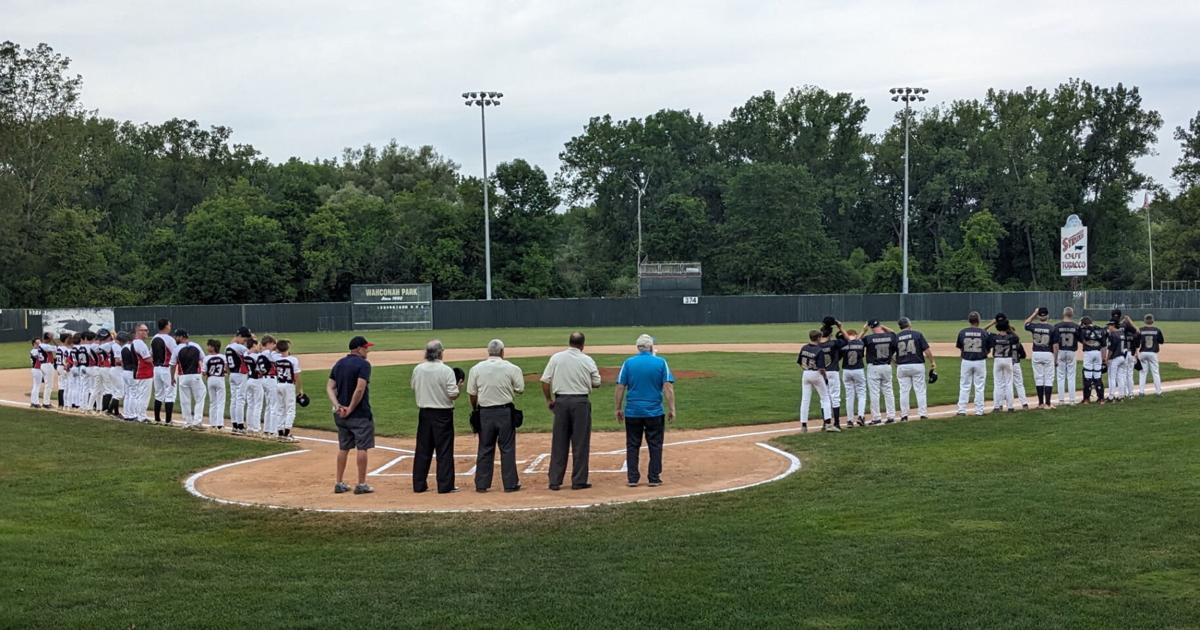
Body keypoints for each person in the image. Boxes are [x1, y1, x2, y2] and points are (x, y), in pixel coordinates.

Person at [540, 332, 602, 490]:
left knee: (559, 441)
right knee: (580, 442)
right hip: (580, 402)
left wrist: (549, 400)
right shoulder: (587, 360)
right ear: (582, 345)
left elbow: (545, 381)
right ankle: (579, 480)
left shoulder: (556, 358)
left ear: (569, 342)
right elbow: (597, 383)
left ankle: (555, 480)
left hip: (561, 401)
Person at [615, 334, 676, 487]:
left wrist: (618, 408)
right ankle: (654, 477)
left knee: (632, 444)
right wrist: (672, 408)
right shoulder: (661, 362)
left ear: (638, 347)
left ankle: (633, 478)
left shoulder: (628, 363)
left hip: (633, 411)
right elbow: (668, 387)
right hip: (654, 411)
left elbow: (620, 386)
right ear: (650, 347)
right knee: (655, 444)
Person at [467, 339, 525, 493]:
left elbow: (472, 394)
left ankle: (481, 484)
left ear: (488, 352)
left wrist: (475, 409)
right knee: (507, 448)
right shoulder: (512, 368)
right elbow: (520, 389)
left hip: (485, 412)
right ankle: (510, 483)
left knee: (485, 447)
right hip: (505, 412)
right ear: (502, 352)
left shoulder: (476, 369)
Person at [410, 339, 461, 493]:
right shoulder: (446, 370)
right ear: (439, 353)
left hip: (424, 413)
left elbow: (413, 386)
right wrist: (458, 387)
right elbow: (453, 394)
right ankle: (445, 485)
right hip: (442, 414)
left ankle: (419, 484)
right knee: (444, 450)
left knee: (422, 449)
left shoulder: (418, 369)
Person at [327, 336, 376, 495]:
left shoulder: (339, 363)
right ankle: (361, 484)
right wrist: (351, 408)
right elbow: (360, 389)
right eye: (365, 348)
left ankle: (339, 482)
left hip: (341, 414)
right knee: (362, 447)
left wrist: (338, 405)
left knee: (344, 447)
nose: (367, 350)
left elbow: (330, 387)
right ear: (358, 349)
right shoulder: (364, 365)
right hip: (359, 413)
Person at [894, 317, 935, 421]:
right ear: (909, 324)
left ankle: (904, 415)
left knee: (903, 391)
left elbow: (891, 354)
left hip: (902, 366)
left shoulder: (896, 337)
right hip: (917, 365)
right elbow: (927, 350)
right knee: (920, 390)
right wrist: (932, 362)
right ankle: (923, 414)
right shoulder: (917, 334)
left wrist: (895, 363)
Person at [796, 330, 834, 433]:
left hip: (806, 373)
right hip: (816, 373)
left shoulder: (804, 348)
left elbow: (800, 363)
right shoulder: (819, 350)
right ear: (818, 338)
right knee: (825, 398)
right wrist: (825, 377)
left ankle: (803, 425)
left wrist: (806, 369)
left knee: (805, 400)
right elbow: (822, 368)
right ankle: (828, 424)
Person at [956, 311, 991, 416]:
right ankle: (979, 411)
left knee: (964, 385)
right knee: (979, 386)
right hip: (980, 361)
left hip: (966, 361)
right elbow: (988, 349)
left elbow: (960, 347)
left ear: (969, 321)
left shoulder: (962, 332)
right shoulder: (984, 333)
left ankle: (961, 410)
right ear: (978, 321)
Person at [862, 320, 897, 425]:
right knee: (888, 392)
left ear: (870, 327)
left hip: (874, 368)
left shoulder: (868, 338)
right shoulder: (890, 336)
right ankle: (891, 416)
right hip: (887, 366)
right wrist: (884, 327)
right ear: (879, 325)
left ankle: (876, 418)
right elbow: (894, 334)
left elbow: (856, 343)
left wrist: (864, 331)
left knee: (874, 393)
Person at [172, 330, 206, 430]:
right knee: (200, 398)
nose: (175, 338)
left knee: (185, 401)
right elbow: (203, 359)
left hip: (183, 377)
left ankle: (187, 423)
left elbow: (173, 365)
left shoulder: (177, 349)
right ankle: (197, 422)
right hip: (196, 375)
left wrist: (172, 377)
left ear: (182, 337)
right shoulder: (196, 345)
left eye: (177, 336)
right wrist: (203, 370)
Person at [1024, 307, 1056, 409]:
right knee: (1048, 379)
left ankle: (1040, 403)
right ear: (1048, 316)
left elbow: (1026, 323)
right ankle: (1048, 403)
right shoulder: (1052, 328)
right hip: (1047, 353)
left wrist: (1034, 313)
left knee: (1039, 378)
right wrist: (1055, 358)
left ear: (1038, 316)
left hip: (1036, 353)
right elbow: (1055, 345)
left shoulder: (1034, 326)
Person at [817, 318, 846, 429]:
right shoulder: (834, 343)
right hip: (833, 371)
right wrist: (840, 327)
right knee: (835, 397)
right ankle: (837, 423)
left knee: (824, 398)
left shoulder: (817, 345)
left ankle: (825, 423)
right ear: (830, 334)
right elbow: (847, 340)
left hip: (820, 373)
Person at [149, 319, 177, 424]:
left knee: (158, 394)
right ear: (165, 326)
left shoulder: (154, 338)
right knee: (170, 394)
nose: (170, 326)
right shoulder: (169, 339)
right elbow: (176, 353)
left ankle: (157, 419)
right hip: (167, 369)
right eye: (169, 325)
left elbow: (150, 354)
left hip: (156, 369)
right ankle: (168, 420)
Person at [274, 339, 302, 442]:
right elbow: (296, 376)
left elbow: (274, 352)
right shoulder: (293, 360)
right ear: (288, 348)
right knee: (290, 410)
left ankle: (280, 433)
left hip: (278, 384)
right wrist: (300, 390)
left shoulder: (275, 358)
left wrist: (278, 346)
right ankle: (286, 434)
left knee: (280, 409)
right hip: (289, 385)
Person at [225, 328, 251, 434]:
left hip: (232, 374)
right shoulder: (240, 347)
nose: (245, 341)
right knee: (240, 400)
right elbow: (252, 352)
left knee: (234, 400)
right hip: (241, 374)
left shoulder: (228, 347)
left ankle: (234, 425)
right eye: (244, 338)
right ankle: (240, 426)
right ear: (239, 336)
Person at [1052, 307, 1081, 406]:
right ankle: (1072, 400)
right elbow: (1082, 339)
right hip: (1071, 352)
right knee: (1071, 376)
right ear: (1072, 314)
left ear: (1063, 314)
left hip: (1060, 351)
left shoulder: (1056, 326)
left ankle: (1061, 400)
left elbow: (1054, 343)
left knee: (1060, 377)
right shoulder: (1076, 326)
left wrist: (1054, 358)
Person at [840, 328, 868, 427]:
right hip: (858, 370)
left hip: (846, 371)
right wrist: (864, 330)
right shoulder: (860, 343)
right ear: (855, 335)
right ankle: (860, 416)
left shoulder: (843, 344)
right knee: (861, 394)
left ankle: (849, 420)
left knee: (849, 396)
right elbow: (859, 340)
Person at [990, 318, 1017, 412]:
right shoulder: (1011, 337)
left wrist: (992, 323)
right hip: (1008, 359)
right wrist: (1008, 327)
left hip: (997, 359)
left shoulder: (993, 337)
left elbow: (983, 331)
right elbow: (1017, 338)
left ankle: (997, 406)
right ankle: (1010, 407)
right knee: (1008, 383)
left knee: (997, 384)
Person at [129, 323, 154, 422]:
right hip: (144, 372)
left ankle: (138, 415)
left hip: (139, 372)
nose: (146, 332)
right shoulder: (139, 343)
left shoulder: (135, 343)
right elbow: (147, 359)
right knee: (144, 396)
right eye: (144, 330)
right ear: (138, 331)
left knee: (140, 395)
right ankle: (141, 417)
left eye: (146, 330)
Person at [1079, 316, 1107, 404]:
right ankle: (1101, 398)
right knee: (1097, 376)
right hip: (1098, 353)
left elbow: (1079, 334)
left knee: (1087, 376)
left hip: (1088, 353)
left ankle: (1086, 399)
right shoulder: (1100, 330)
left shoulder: (1083, 330)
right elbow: (1104, 346)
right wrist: (1103, 359)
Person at [1138, 314, 1165, 396]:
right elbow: (1161, 341)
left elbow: (1136, 341)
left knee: (1143, 373)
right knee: (1155, 372)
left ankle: (1141, 392)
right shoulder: (1157, 330)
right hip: (1153, 353)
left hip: (1143, 352)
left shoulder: (1140, 330)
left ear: (1144, 321)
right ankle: (1158, 392)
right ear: (1153, 321)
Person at [242, 339, 265, 437]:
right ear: (254, 345)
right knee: (258, 405)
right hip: (257, 381)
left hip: (249, 380)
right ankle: (257, 428)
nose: (258, 347)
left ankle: (250, 427)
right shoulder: (258, 356)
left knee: (250, 405)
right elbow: (261, 370)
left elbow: (247, 352)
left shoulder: (245, 355)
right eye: (257, 345)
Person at [203, 339, 228, 430]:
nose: (207, 347)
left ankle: (212, 423)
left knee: (212, 402)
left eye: (209, 345)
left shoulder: (206, 358)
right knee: (220, 402)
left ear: (213, 347)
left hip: (210, 379)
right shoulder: (223, 357)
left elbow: (204, 373)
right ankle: (219, 424)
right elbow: (226, 368)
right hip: (220, 379)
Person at [259, 335, 280, 439]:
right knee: (274, 406)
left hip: (264, 379)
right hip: (271, 379)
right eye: (273, 344)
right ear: (268, 344)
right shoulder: (268, 353)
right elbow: (279, 358)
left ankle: (267, 430)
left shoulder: (261, 354)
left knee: (268, 406)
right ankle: (273, 431)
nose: (274, 346)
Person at [1105, 319, 1128, 401]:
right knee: (1120, 377)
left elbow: (1111, 349)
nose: (1108, 327)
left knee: (1112, 377)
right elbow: (1125, 348)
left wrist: (1107, 358)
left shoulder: (1112, 335)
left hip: (1115, 358)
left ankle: (1111, 397)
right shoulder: (1122, 333)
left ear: (1113, 325)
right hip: (1122, 357)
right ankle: (1121, 396)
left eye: (1109, 325)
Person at [1009, 329, 1030, 409]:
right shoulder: (1018, 344)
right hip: (1016, 364)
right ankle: (1024, 403)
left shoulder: (1003, 342)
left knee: (1005, 384)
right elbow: (1024, 355)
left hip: (1006, 364)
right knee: (1019, 384)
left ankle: (1001, 405)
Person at [118, 332, 137, 420]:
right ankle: (132, 414)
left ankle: (127, 413)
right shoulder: (132, 347)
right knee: (133, 393)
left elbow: (121, 362)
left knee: (128, 394)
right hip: (131, 372)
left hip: (125, 371)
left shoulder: (123, 348)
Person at [37, 333, 56, 409]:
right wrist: (53, 340)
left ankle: (46, 402)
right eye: (51, 337)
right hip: (47, 365)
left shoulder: (42, 345)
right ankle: (46, 403)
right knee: (49, 385)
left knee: (48, 385)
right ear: (48, 338)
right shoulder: (45, 346)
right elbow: (58, 348)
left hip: (44, 365)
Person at [29, 338, 47, 409]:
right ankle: (35, 403)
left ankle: (33, 402)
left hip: (37, 370)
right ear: (34, 344)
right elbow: (37, 356)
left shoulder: (37, 350)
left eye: (40, 342)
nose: (39, 344)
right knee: (37, 386)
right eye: (37, 343)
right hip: (36, 370)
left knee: (35, 386)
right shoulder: (34, 351)